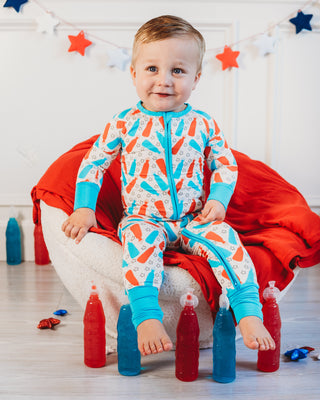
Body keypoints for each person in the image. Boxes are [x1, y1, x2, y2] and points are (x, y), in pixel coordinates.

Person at [62, 15, 275, 356]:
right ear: (133, 73)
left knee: (228, 242)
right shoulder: (124, 123)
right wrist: (85, 207)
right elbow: (94, 163)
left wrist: (218, 201)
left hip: (194, 217)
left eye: (177, 71)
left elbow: (224, 163)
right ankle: (147, 316)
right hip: (144, 217)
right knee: (137, 244)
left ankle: (249, 312)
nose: (164, 81)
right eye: (152, 69)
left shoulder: (202, 123)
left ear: (196, 77)